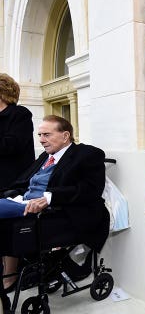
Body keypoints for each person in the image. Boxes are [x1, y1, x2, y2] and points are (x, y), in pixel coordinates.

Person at [0, 115, 109, 310]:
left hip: (56, 214)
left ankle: (9, 283)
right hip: (25, 205)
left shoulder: (87, 155)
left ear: (65, 136)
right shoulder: (45, 156)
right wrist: (14, 196)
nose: (41, 139)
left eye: (47, 134)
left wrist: (49, 198)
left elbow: (90, 189)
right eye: (40, 134)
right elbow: (23, 183)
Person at [0, 73, 35, 292]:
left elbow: (11, 146)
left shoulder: (20, 114)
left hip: (13, 182)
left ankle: (10, 276)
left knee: (7, 227)